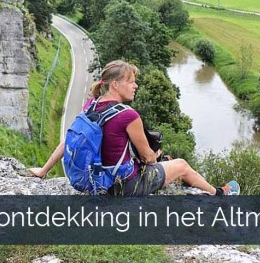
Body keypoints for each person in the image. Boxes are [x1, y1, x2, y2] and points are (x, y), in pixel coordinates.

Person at [30, 59, 240, 196]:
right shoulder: (128, 115)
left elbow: (69, 139)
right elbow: (148, 158)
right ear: (115, 84)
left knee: (166, 162)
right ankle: (220, 195)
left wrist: (43, 170)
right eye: (131, 81)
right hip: (123, 187)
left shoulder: (92, 105)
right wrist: (154, 155)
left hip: (95, 182)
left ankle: (205, 189)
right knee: (181, 165)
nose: (135, 85)